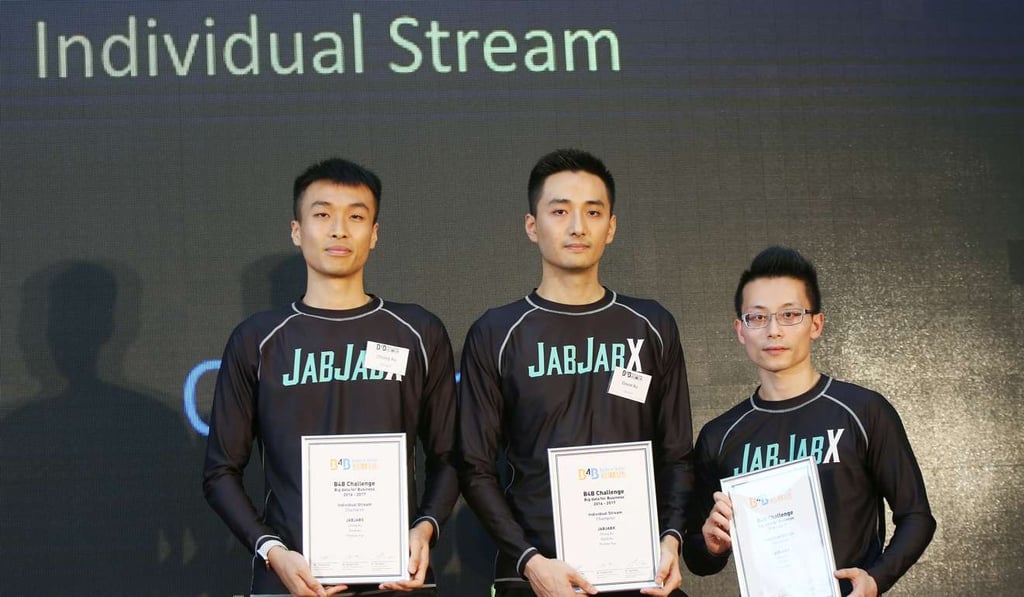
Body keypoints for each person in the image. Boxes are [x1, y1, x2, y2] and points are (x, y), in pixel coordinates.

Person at [203, 158, 459, 597]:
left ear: (374, 233)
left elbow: (451, 456)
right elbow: (220, 471)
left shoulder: (417, 331)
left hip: (396, 579)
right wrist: (272, 551)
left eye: (356, 216)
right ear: (296, 230)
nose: (339, 229)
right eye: (322, 214)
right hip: (292, 579)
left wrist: (425, 528)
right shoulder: (258, 340)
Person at [458, 148, 694, 597]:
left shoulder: (651, 325)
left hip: (641, 574)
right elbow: (475, 468)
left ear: (612, 227)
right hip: (537, 577)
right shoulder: (498, 331)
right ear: (532, 226)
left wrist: (671, 539)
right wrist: (530, 561)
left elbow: (677, 454)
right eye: (560, 210)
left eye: (593, 211)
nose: (577, 226)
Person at [682, 246, 936, 597]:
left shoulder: (863, 411)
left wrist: (876, 579)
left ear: (816, 324)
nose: (773, 330)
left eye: (789, 315)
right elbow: (698, 558)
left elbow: (917, 517)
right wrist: (711, 544)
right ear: (741, 330)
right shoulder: (720, 436)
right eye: (757, 317)